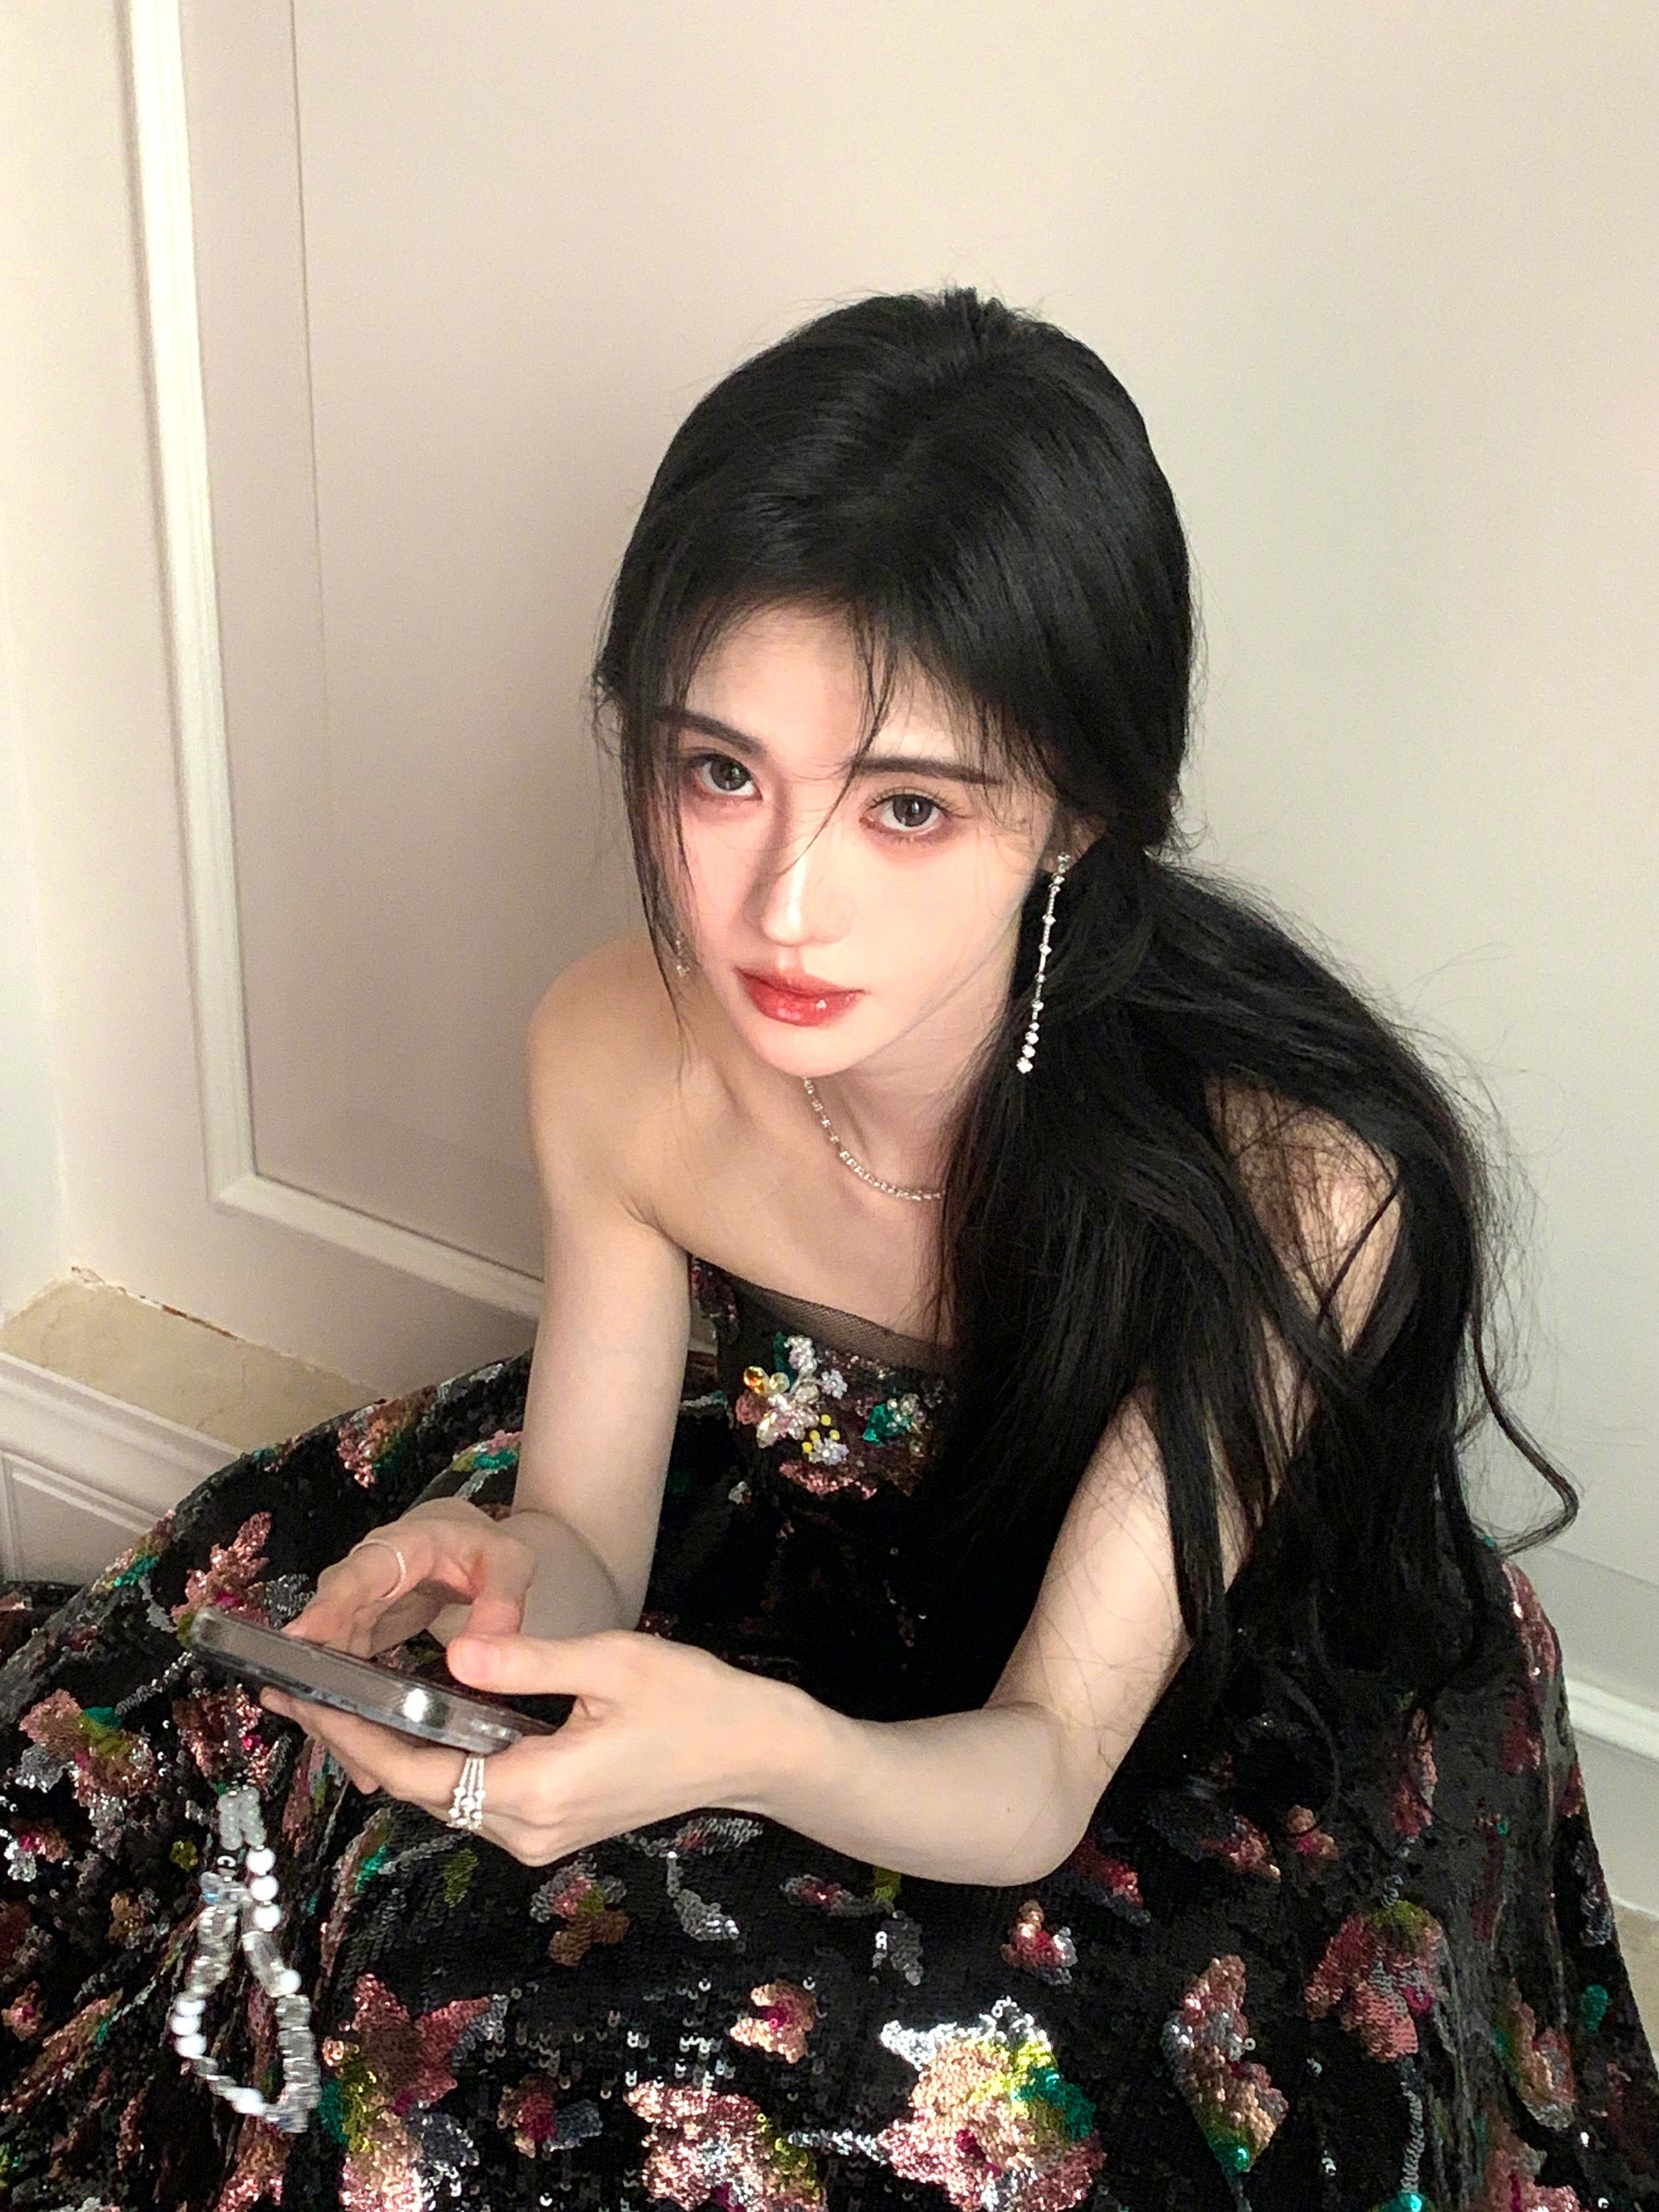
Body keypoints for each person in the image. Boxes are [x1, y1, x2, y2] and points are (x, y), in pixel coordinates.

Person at [0, 288, 1653, 2212]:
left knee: (926, 2081)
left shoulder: (1294, 1183)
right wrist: (517, 1579)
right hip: (801, 1542)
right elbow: (591, 1525)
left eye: (908, 805)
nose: (782, 903)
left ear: (1074, 810)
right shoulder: (613, 1044)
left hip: (1167, 1716)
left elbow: (1040, 1767)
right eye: (720, 774)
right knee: (386, 1914)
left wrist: (752, 1746)